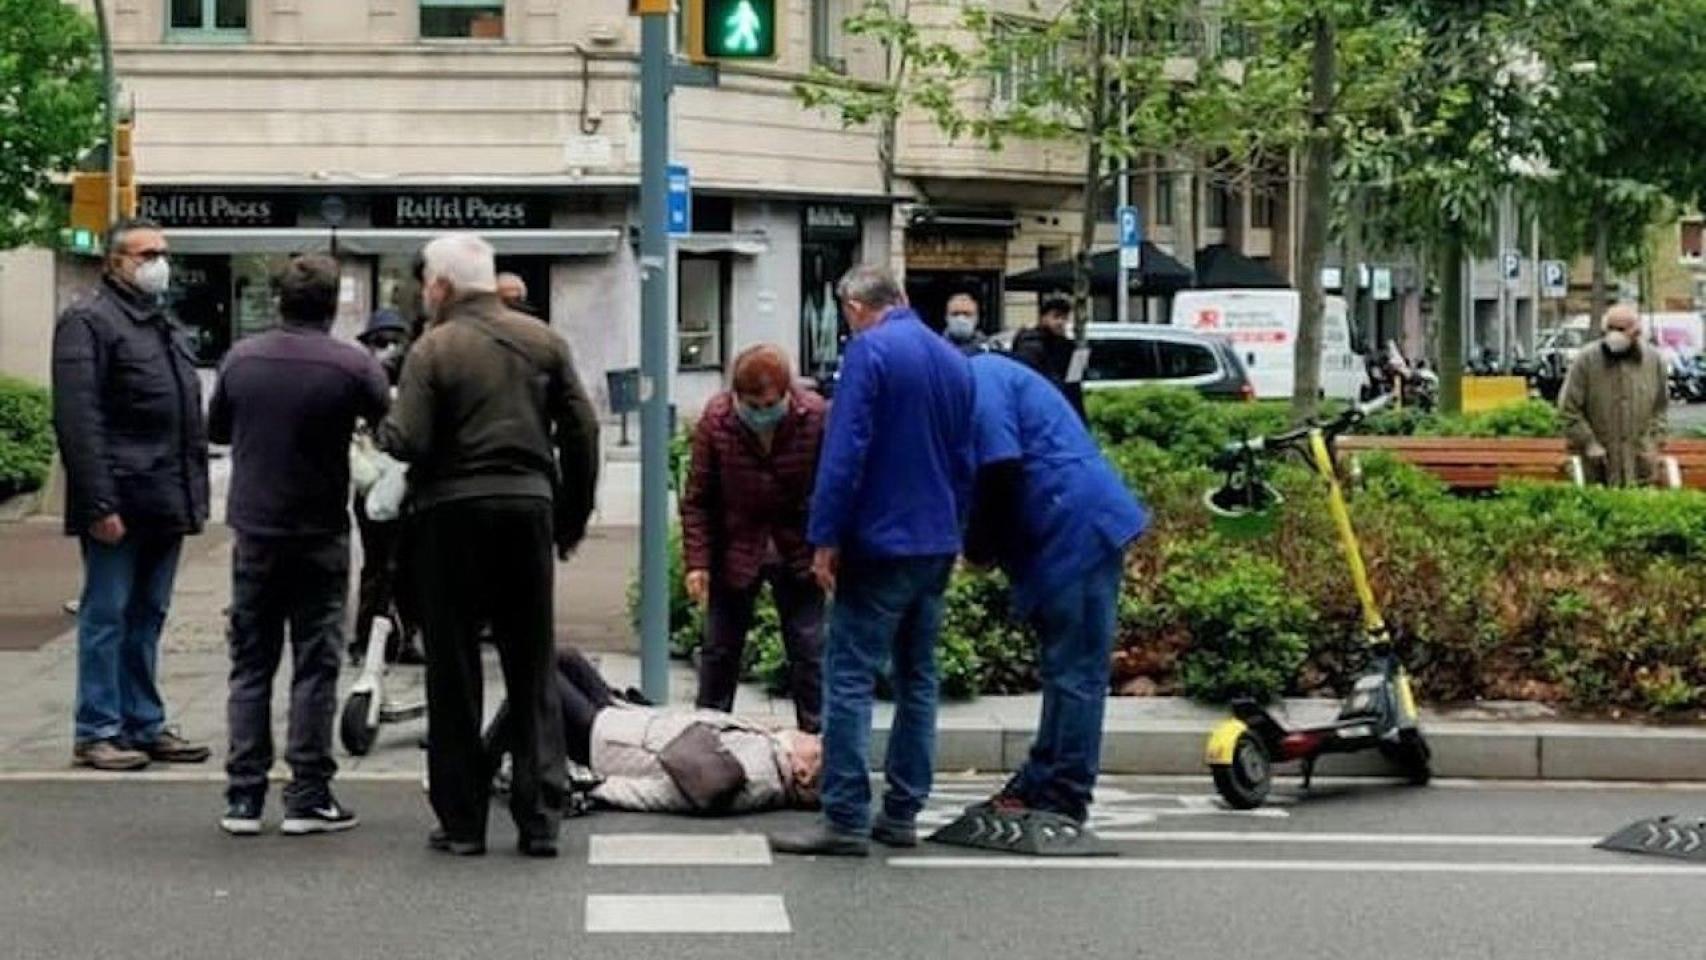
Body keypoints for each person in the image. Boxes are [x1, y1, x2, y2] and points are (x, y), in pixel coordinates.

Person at [379, 233, 599, 858]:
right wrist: (571, 515)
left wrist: (385, 427)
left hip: (450, 515)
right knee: (531, 662)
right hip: (527, 506)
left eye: (427, 284)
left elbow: (410, 438)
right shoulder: (543, 340)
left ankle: (463, 820)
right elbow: (581, 428)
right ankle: (539, 817)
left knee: (453, 668)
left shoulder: (434, 347)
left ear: (442, 287)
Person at [770, 265, 975, 858]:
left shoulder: (870, 354)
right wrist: (956, 530)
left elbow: (844, 451)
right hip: (935, 541)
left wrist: (825, 540)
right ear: (902, 299)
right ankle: (903, 811)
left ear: (854, 306)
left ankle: (846, 815)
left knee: (851, 677)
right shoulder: (951, 360)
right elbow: (965, 459)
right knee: (918, 679)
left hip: (880, 541)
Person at [207, 254, 390, 836]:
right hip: (319, 530)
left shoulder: (241, 358)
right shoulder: (351, 364)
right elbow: (392, 428)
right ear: (334, 303)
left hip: (255, 528)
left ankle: (243, 796)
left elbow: (217, 430)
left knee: (250, 662)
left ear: (278, 299)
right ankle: (308, 792)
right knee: (316, 663)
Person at [51, 217, 212, 772]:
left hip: (164, 497)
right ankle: (97, 727)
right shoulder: (88, 321)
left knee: (148, 614)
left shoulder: (159, 323)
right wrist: (99, 503)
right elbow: (78, 420)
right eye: (145, 254)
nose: (158, 263)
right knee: (107, 614)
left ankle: (142, 721)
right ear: (114, 262)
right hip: (121, 498)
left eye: (162, 252)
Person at [961, 351, 1148, 824]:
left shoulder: (978, 380)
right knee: (1064, 668)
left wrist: (979, 547)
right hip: (1062, 525)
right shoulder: (980, 380)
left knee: (1077, 671)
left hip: (1073, 527)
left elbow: (998, 469)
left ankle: (1063, 793)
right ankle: (1041, 779)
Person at [680, 344, 827, 733]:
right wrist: (697, 562)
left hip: (798, 547)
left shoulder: (815, 417)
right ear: (736, 397)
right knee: (718, 652)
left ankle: (818, 747)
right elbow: (698, 499)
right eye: (752, 404)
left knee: (809, 652)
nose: (762, 412)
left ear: (787, 394)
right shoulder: (717, 420)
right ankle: (708, 740)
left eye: (769, 403)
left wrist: (830, 548)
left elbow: (833, 488)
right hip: (737, 547)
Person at [485, 648, 822, 815]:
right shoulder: (770, 751)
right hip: (625, 719)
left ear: (802, 772)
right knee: (563, 658)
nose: (815, 738)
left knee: (537, 678)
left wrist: (600, 788)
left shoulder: (759, 774)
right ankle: (492, 755)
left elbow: (669, 795)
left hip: (610, 744)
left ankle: (479, 765)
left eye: (818, 749)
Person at [349, 309, 422, 665]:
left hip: (404, 484)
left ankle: (405, 635)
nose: (389, 349)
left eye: (394, 341)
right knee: (379, 566)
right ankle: (368, 638)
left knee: (407, 565)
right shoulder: (361, 381)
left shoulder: (414, 381)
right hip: (371, 487)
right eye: (381, 342)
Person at [1559, 304, 1669, 487]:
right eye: (1610, 328)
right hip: (1595, 468)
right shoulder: (1586, 360)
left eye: (1620, 329)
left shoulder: (1654, 361)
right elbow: (1568, 410)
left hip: (1640, 467)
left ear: (1636, 331)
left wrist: (1653, 443)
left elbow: (1660, 408)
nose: (1614, 334)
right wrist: (1589, 443)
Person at [1009, 293, 1085, 418]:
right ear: (1043, 318)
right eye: (1056, 317)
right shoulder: (1030, 343)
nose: (1061, 322)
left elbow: (1073, 385)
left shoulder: (1066, 346)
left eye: (1064, 318)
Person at [942, 292, 989, 356]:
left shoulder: (988, 349)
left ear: (977, 318)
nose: (961, 319)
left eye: (967, 314)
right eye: (955, 314)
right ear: (946, 317)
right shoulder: (937, 347)